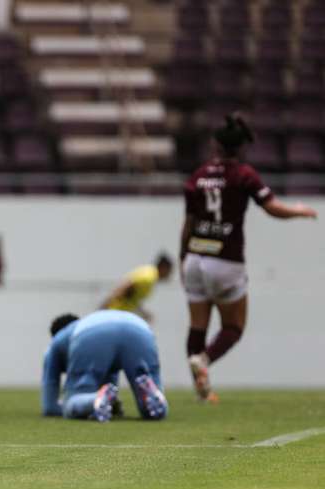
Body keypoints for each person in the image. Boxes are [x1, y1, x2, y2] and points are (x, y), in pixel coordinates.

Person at [180, 114, 317, 403]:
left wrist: (183, 258)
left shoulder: (198, 175)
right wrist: (300, 211)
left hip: (195, 257)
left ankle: (201, 389)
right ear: (241, 148)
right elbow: (272, 207)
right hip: (226, 260)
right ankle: (204, 361)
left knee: (197, 326)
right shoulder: (243, 175)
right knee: (233, 327)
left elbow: (188, 223)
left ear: (216, 145)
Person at [41, 310, 168, 422]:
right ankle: (152, 394)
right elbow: (110, 380)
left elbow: (49, 406)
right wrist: (110, 401)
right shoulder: (88, 320)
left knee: (74, 400)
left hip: (92, 334)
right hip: (141, 329)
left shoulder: (57, 341)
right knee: (152, 401)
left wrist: (65, 405)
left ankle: (93, 400)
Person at [100, 253, 173, 322]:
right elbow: (123, 288)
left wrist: (143, 313)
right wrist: (104, 306)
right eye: (169, 271)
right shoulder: (148, 277)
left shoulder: (149, 273)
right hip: (115, 314)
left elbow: (132, 299)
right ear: (163, 268)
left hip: (119, 315)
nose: (169, 275)